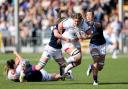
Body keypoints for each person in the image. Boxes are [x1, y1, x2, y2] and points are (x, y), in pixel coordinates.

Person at [85, 9, 106, 85]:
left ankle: (91, 66)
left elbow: (92, 33)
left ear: (93, 16)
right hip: (93, 45)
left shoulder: (98, 23)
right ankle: (95, 81)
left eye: (89, 15)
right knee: (96, 61)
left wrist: (84, 37)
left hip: (102, 45)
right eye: (87, 15)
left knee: (100, 67)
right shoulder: (85, 24)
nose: (88, 17)